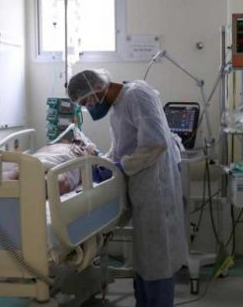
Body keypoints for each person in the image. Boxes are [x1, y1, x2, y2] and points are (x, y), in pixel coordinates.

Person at [67, 70, 187, 307]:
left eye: (85, 101)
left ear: (95, 90)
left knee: (157, 257)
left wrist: (121, 166)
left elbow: (155, 143)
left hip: (156, 188)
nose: (88, 107)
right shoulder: (119, 107)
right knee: (147, 256)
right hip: (143, 188)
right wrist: (104, 161)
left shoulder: (137, 96)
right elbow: (123, 146)